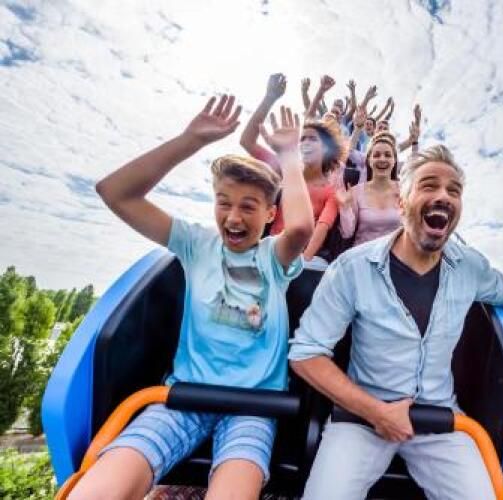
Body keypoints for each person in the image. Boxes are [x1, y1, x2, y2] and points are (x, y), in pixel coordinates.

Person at [69, 97, 314, 500]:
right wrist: (190, 140)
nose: (233, 217)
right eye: (224, 203)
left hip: (253, 407)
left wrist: (289, 156)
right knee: (98, 489)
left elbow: (302, 228)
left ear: (271, 215)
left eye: (248, 207)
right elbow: (115, 193)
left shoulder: (272, 257)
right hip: (183, 398)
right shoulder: (196, 245)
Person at [289, 145, 503, 499]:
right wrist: (377, 413)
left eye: (453, 190)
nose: (443, 196)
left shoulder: (470, 267)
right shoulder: (351, 268)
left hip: (440, 419)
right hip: (362, 420)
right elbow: (305, 354)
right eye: (429, 186)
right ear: (401, 204)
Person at [241, 74, 348, 262]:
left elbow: (322, 227)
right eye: (303, 138)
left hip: (296, 259)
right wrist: (269, 98)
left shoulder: (330, 192)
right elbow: (247, 141)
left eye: (312, 139)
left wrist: (301, 261)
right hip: (266, 251)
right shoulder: (287, 168)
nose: (305, 143)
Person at [337, 131, 401, 246]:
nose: (382, 159)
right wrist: (345, 207)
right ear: (369, 161)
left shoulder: (404, 190)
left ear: (394, 160)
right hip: (363, 252)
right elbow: (347, 233)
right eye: (376, 155)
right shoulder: (355, 191)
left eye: (387, 155)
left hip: (394, 252)